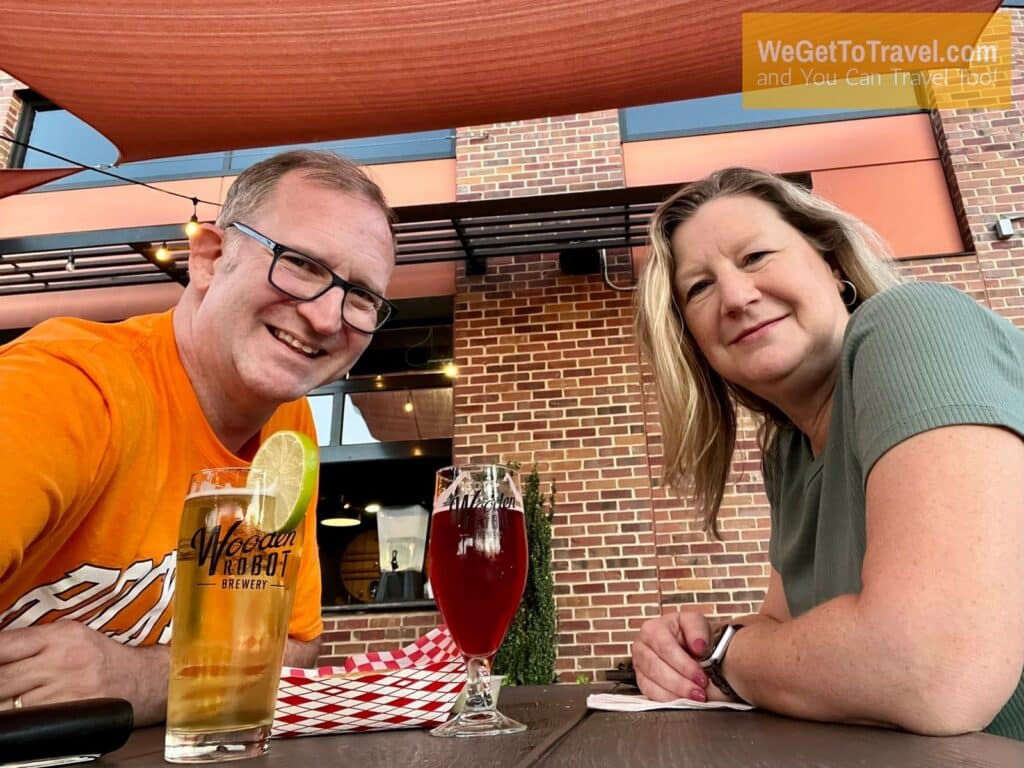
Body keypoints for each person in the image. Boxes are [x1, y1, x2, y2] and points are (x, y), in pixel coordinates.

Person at [0, 150, 397, 725]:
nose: (329, 319)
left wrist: (135, 678)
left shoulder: (289, 432)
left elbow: (297, 644)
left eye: (362, 296)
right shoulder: (70, 389)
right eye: (303, 264)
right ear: (210, 260)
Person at [630, 167, 1024, 740]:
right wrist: (685, 652)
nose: (737, 297)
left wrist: (725, 657)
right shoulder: (787, 453)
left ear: (832, 262)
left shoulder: (912, 325)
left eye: (756, 256)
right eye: (700, 287)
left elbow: (936, 669)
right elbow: (784, 630)